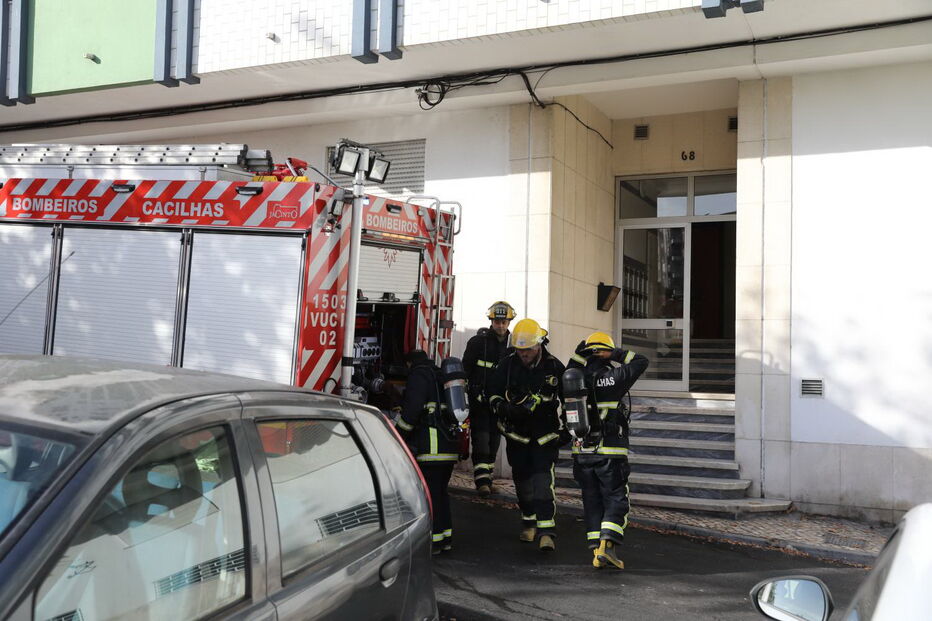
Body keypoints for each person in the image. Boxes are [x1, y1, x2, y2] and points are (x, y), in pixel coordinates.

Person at [566, 332, 648, 569]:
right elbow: (641, 361)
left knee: (591, 500)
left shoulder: (574, 377)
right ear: (605, 353)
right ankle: (608, 547)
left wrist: (578, 356)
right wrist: (616, 354)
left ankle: (596, 550)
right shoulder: (613, 376)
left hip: (582, 452)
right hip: (609, 450)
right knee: (615, 499)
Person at [487, 318, 565, 552]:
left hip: (545, 437)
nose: (524, 354)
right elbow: (492, 394)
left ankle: (546, 532)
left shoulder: (554, 367)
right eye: (520, 349)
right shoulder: (507, 365)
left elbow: (570, 400)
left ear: (539, 345)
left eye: (528, 349)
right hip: (517, 436)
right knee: (522, 483)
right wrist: (504, 408)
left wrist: (569, 430)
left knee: (543, 483)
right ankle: (528, 522)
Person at [394, 349, 460, 555]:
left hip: (431, 449)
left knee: (430, 496)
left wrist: (397, 436)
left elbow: (412, 412)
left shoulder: (418, 375)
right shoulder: (438, 374)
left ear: (408, 364)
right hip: (448, 448)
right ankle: (445, 539)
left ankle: (434, 542)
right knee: (440, 494)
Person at [461, 300, 515, 495]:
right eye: (497, 321)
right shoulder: (478, 343)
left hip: (501, 404)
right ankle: (482, 482)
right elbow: (465, 369)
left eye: (504, 322)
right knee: (481, 440)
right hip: (480, 402)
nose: (500, 325)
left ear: (509, 322)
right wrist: (472, 390)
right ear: (491, 321)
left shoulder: (514, 345)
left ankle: (488, 478)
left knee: (494, 442)